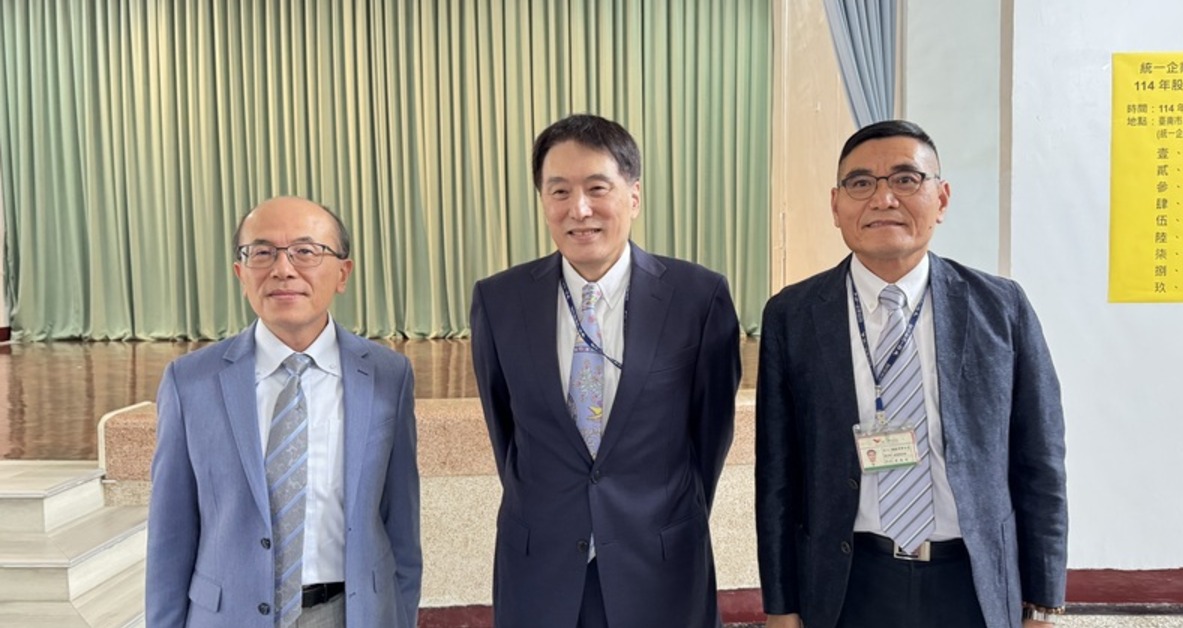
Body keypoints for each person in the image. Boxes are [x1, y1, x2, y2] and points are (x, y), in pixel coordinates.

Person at [755, 120, 1067, 628]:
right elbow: (777, 475)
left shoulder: (1001, 308)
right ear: (836, 205)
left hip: (972, 582)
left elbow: (1041, 462)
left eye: (906, 179)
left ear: (941, 199)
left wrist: (1044, 603)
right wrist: (781, 606)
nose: (883, 199)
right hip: (848, 582)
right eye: (861, 183)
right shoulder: (793, 315)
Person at [470, 113, 742, 628]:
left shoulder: (697, 297)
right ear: (542, 200)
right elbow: (506, 433)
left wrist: (657, 517)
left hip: (659, 564)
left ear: (633, 196)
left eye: (597, 188)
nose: (579, 209)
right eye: (559, 191)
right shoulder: (500, 300)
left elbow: (709, 438)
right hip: (540, 568)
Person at [146, 196, 422, 628]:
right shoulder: (191, 383)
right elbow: (170, 534)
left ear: (343, 273)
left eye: (305, 251)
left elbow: (402, 524)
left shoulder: (388, 377)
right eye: (262, 252)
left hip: (350, 613)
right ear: (241, 273)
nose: (283, 269)